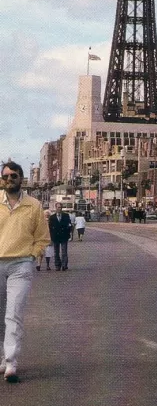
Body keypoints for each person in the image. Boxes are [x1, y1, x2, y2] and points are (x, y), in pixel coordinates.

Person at [0, 160, 50, 382]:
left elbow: (42, 237)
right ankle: (2, 358)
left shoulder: (34, 205)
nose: (9, 180)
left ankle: (11, 362)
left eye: (13, 176)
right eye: (6, 176)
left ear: (22, 178)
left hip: (21, 265)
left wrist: (32, 255)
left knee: (14, 314)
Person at [48, 202, 72, 270]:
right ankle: (57, 265)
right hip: (55, 237)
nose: (60, 209)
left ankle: (64, 265)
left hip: (64, 236)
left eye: (61, 207)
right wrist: (50, 237)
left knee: (64, 251)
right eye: (58, 207)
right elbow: (50, 228)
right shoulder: (52, 217)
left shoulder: (66, 215)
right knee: (56, 252)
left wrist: (68, 233)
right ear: (56, 208)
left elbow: (69, 225)